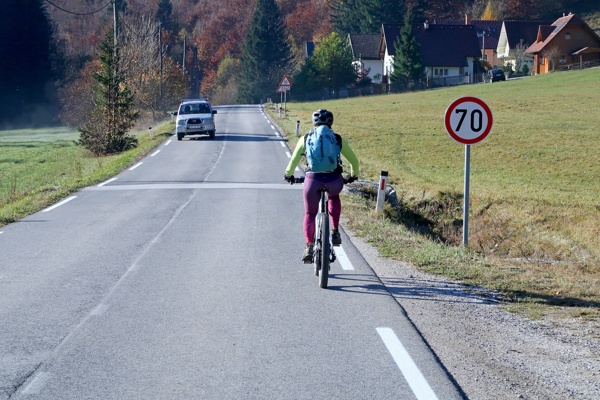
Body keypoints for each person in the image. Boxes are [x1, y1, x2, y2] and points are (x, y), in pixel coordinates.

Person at [284, 109, 359, 263]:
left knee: (310, 213)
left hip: (313, 180)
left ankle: (309, 246)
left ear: (314, 122)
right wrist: (353, 175)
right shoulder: (337, 139)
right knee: (334, 196)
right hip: (334, 180)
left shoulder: (306, 138)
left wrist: (288, 174)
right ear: (331, 122)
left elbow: (293, 161)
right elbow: (354, 161)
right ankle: (335, 231)